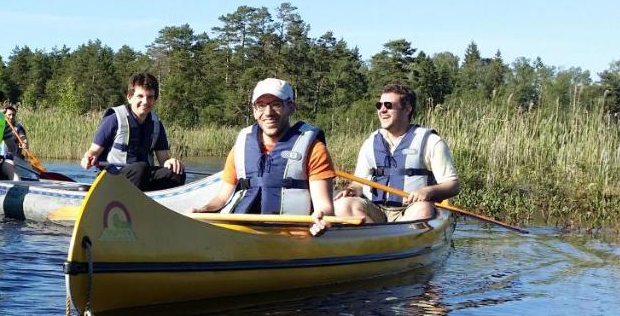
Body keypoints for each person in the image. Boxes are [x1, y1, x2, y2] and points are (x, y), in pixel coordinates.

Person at [190, 78, 334, 235]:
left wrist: (322, 217)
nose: (268, 113)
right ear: (254, 110)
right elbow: (222, 198)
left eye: (276, 104)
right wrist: (203, 209)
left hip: (291, 233)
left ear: (291, 107)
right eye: (261, 105)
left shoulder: (315, 149)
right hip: (241, 230)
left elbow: (324, 205)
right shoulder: (241, 148)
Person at [334, 83, 460, 223]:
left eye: (388, 105)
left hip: (411, 210)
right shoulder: (370, 143)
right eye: (379, 105)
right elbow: (358, 184)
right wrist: (352, 190)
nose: (382, 110)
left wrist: (428, 191)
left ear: (407, 109)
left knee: (423, 209)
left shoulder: (431, 142)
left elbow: (452, 185)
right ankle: (376, 240)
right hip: (377, 210)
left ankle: (398, 240)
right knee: (342, 205)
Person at [80, 72, 185, 191]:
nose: (145, 101)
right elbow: (93, 151)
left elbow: (164, 159)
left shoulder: (156, 125)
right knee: (141, 168)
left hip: (142, 178)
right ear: (129, 97)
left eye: (150, 97)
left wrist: (171, 162)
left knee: (177, 173)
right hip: (112, 178)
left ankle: (154, 203)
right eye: (140, 96)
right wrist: (88, 157)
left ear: (154, 99)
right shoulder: (114, 119)